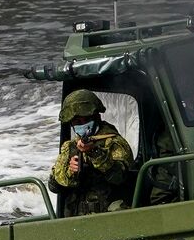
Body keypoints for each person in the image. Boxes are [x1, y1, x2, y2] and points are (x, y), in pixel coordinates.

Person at [48, 89, 135, 217]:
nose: (82, 125)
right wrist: (70, 171)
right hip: (76, 219)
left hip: (109, 217)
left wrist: (93, 152)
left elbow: (119, 177)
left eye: (86, 120)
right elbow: (54, 186)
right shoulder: (70, 147)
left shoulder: (114, 143)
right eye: (77, 122)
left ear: (96, 117)